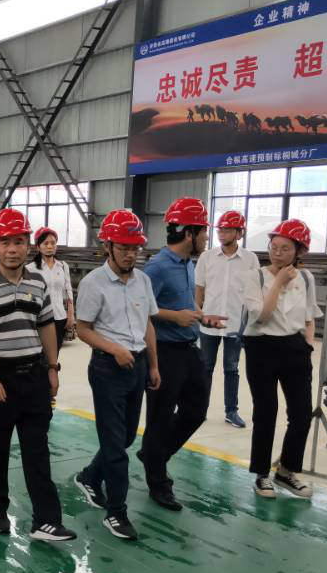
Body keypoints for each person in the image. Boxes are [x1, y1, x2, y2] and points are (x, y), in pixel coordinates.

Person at [0, 208, 75, 542]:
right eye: (6, 242)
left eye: (19, 242)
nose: (12, 249)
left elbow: (46, 326)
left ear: (28, 245)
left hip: (33, 375)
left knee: (37, 449)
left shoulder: (38, 282)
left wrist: (52, 368)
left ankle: (46, 520)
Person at [73, 210, 161, 540]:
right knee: (115, 446)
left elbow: (147, 324)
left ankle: (89, 477)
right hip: (108, 368)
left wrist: (153, 365)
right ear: (107, 247)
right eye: (123, 247)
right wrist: (114, 349)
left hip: (137, 365)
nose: (130, 254)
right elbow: (83, 329)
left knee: (125, 437)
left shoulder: (143, 281)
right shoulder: (94, 283)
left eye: (135, 248)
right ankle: (116, 512)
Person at [138, 197, 226, 511]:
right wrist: (175, 317)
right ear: (189, 233)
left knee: (196, 411)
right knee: (160, 419)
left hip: (190, 350)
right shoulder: (158, 267)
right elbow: (141, 307)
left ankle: (154, 455)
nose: (207, 238)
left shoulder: (189, 264)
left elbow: (185, 305)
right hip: (165, 352)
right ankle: (158, 484)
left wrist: (202, 317)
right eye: (203, 232)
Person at [241, 219, 321, 499]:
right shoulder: (256, 276)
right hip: (261, 346)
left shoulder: (307, 278)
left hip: (295, 348)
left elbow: (309, 316)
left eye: (285, 248)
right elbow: (262, 316)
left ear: (299, 251)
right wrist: (278, 281)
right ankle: (262, 474)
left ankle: (286, 471)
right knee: (266, 411)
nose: (277, 253)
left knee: (301, 413)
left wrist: (307, 344)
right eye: (274, 246)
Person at [194, 210, 259, 428]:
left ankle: (231, 411)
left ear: (239, 233)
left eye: (227, 230)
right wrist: (198, 315)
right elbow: (199, 289)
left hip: (235, 325)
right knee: (205, 368)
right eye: (220, 230)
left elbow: (254, 293)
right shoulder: (207, 257)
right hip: (208, 323)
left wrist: (250, 324)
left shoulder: (250, 259)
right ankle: (199, 409)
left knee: (231, 369)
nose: (222, 234)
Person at [27, 226, 74, 404]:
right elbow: (28, 294)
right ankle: (39, 391)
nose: (49, 246)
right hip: (39, 320)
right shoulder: (31, 268)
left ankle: (48, 392)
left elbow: (68, 291)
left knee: (53, 356)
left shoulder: (63, 266)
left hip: (59, 318)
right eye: (45, 243)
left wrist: (71, 315)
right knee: (39, 357)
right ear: (38, 246)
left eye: (53, 243)